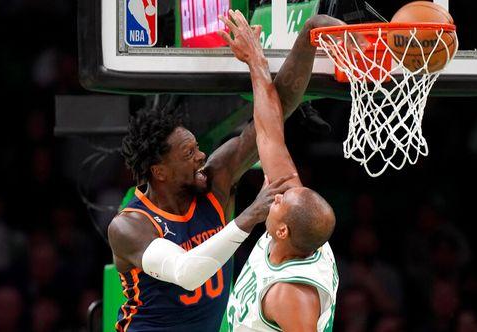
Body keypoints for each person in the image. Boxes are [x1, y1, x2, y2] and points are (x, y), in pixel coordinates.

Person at [107, 10, 345, 332]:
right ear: (159, 171)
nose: (202, 155)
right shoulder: (130, 226)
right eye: (189, 153)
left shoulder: (213, 179)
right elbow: (187, 272)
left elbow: (273, 117)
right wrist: (249, 215)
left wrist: (304, 40)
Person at [219, 10, 342, 332]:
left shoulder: (293, 294)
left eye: (278, 203)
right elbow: (269, 132)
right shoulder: (297, 229)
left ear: (283, 230)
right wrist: (254, 58)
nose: (273, 196)